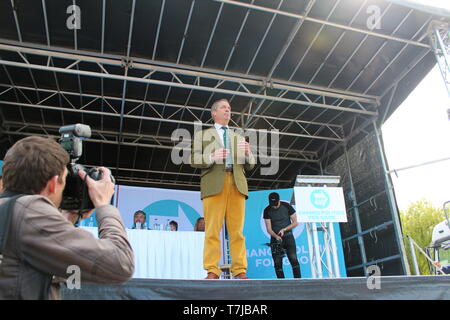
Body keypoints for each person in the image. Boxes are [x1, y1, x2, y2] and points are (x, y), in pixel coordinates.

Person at [0, 136, 134, 299]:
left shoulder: (10, 208)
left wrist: (67, 220)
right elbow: (120, 264)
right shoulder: (29, 211)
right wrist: (104, 205)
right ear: (53, 183)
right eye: (64, 182)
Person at [190, 98, 255, 279]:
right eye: (223, 108)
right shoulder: (202, 135)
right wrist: (212, 156)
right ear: (214, 113)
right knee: (212, 230)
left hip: (236, 184)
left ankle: (240, 270)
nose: (228, 110)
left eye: (229, 108)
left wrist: (249, 153)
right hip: (214, 185)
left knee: (237, 232)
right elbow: (193, 159)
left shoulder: (239, 137)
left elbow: (250, 166)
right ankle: (212, 270)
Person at [263, 192, 301, 279]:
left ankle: (299, 280)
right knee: (277, 263)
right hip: (275, 239)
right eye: (272, 205)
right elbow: (269, 229)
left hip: (288, 236)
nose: (274, 206)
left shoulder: (287, 206)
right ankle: (281, 282)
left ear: (279, 200)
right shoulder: (267, 210)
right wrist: (276, 236)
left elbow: (295, 222)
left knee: (293, 259)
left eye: (276, 204)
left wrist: (284, 229)